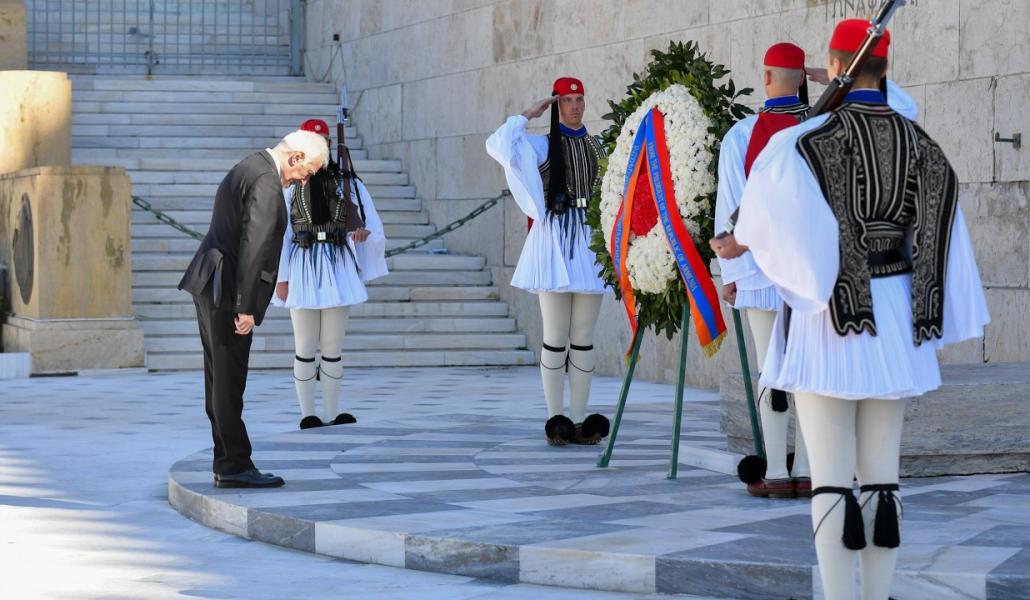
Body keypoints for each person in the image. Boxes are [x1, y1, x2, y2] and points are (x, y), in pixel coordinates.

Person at [734, 20, 989, 599]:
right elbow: (943, 232)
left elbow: (767, 221)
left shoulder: (804, 140)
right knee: (881, 477)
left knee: (830, 480)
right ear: (886, 68)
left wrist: (746, 247)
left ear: (833, 66)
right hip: (897, 312)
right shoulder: (920, 142)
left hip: (830, 313)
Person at [178, 130, 329, 488]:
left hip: (212, 281)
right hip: (227, 289)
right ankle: (233, 466)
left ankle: (226, 461)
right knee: (228, 381)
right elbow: (254, 245)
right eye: (307, 171)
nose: (304, 180)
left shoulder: (250, 165)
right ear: (295, 157)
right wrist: (245, 306)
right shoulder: (266, 181)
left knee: (219, 379)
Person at [710, 42, 813, 500]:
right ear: (803, 78)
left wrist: (731, 272)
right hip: (812, 273)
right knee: (810, 369)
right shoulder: (824, 126)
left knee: (771, 370)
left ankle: (774, 470)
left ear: (766, 78)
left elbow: (730, 207)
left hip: (759, 269)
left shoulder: (741, 136)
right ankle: (808, 469)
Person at [486, 77, 611, 446]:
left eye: (579, 99)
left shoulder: (598, 145)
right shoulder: (540, 145)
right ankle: (555, 418)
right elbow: (498, 145)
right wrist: (528, 114)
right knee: (555, 336)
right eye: (567, 100)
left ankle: (579, 420)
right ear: (557, 105)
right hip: (554, 240)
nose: (575, 106)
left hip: (590, 241)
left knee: (583, 338)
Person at [273, 119, 388, 429]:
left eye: (322, 143)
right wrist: (281, 278)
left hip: (338, 264)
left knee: (332, 346)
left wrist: (361, 235)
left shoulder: (347, 183)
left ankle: (332, 413)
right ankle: (307, 414)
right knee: (305, 345)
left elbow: (371, 225)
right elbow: (281, 233)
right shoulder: (289, 184)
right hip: (303, 264)